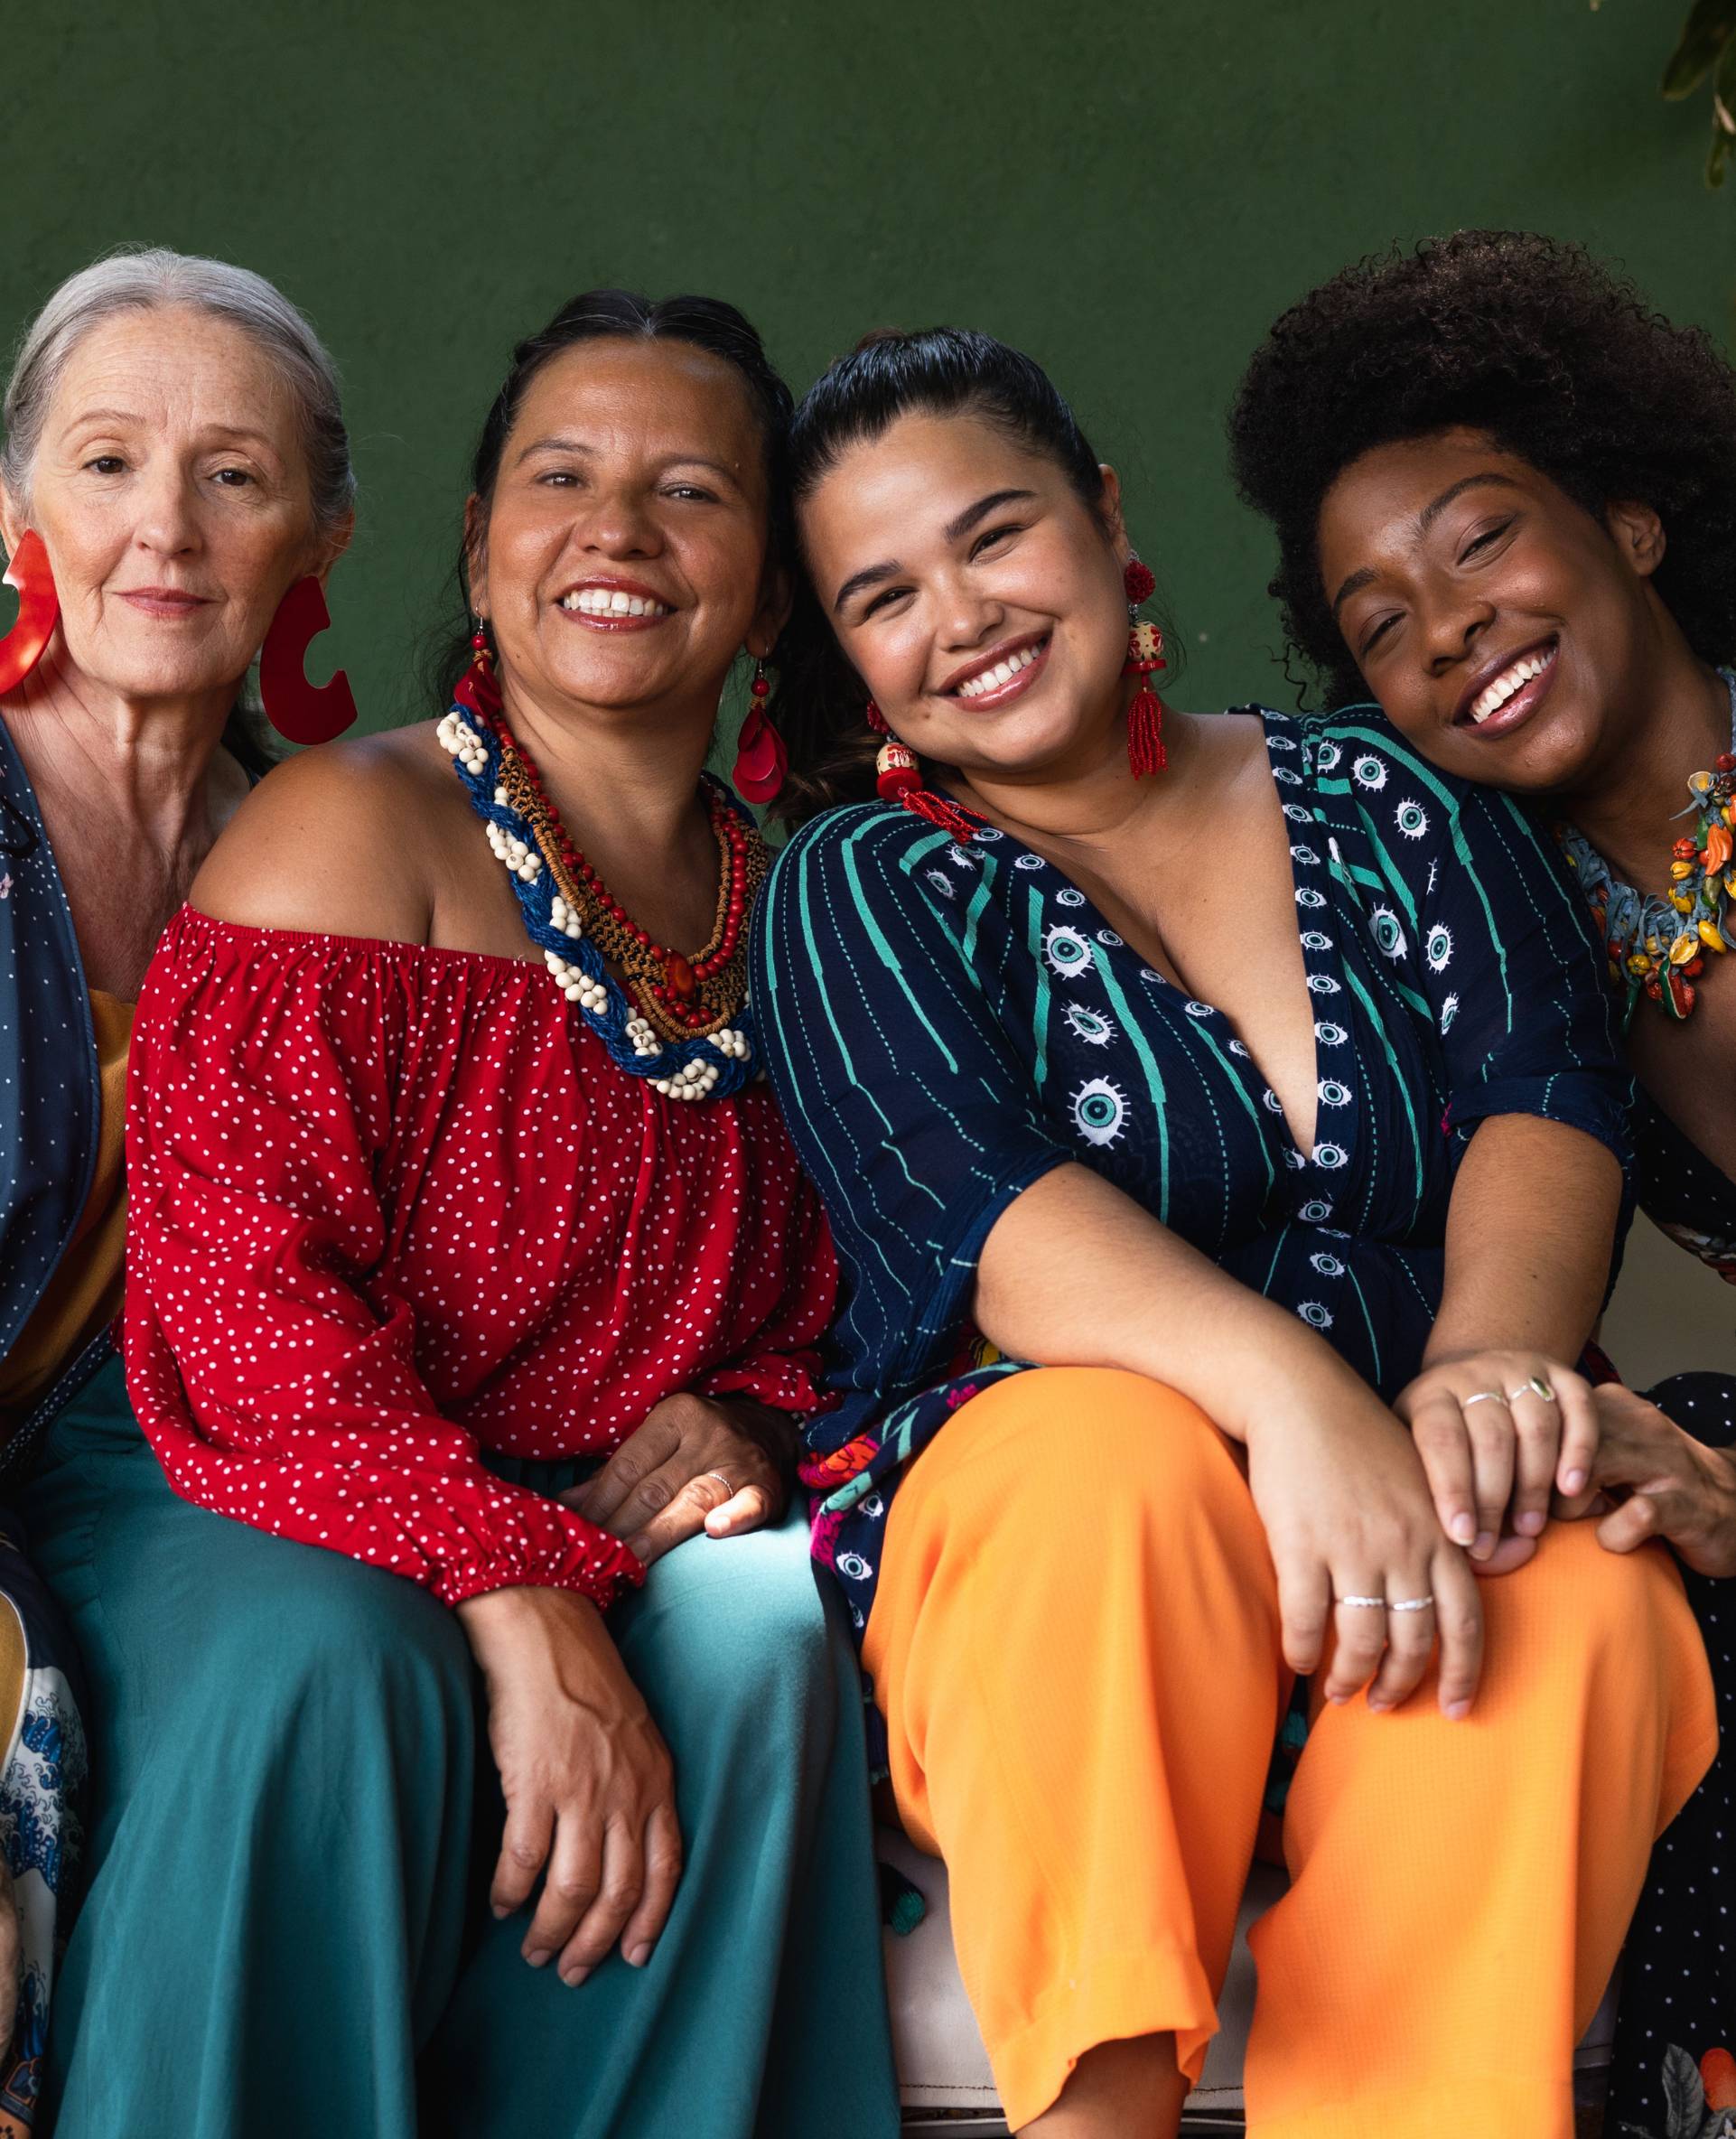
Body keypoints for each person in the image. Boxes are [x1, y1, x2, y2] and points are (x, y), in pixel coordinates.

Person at [750, 323, 1716, 2139]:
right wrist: (1301, 1405)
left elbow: (1544, 1083)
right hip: (1076, 1562)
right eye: (883, 594)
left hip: (1431, 1495)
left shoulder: (1391, 794)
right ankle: (1094, 2112)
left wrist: (1483, 1365)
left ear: (1103, 514)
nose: (960, 612)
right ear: (852, 660)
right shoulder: (861, 884)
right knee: (1095, 1452)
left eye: (994, 532)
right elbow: (980, 1216)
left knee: (1570, 1570)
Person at [21, 289, 898, 2139]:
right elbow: (242, 1296)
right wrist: (505, 1574)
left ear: (770, 576)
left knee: (756, 1630)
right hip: (247, 1441)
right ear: (480, 548)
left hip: (570, 1471)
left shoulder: (801, 904)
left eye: (690, 490)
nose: (618, 530)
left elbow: (849, 1286)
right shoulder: (344, 832)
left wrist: (744, 1416)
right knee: (339, 1658)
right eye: (561, 476)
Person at [1227, 229, 1736, 2131]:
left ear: (1632, 522)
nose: (1443, 627)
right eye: (1374, 620)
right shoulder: (1550, 969)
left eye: (1479, 541)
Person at [0, 244, 355, 2134]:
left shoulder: (331, 849)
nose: (168, 528)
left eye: (234, 473)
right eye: (109, 461)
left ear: (320, 530)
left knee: (333, 1649)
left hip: (172, 1481)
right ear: (16, 513)